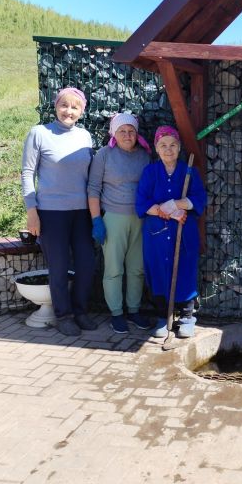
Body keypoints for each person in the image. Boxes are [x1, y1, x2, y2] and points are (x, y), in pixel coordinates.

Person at [21, 87, 96, 336]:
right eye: (64, 105)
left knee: (86, 263)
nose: (69, 111)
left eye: (75, 107)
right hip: (51, 212)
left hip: (81, 212)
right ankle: (63, 315)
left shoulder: (85, 137)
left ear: (82, 111)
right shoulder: (39, 134)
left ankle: (80, 311)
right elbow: (27, 173)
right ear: (56, 106)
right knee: (59, 266)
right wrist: (32, 210)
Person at [135, 126, 207, 339]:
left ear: (179, 147)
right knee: (157, 271)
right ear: (156, 148)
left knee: (185, 270)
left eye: (173, 145)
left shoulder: (188, 172)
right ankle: (162, 316)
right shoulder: (150, 173)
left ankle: (186, 317)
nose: (168, 149)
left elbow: (199, 199)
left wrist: (175, 204)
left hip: (183, 233)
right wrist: (166, 211)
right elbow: (141, 202)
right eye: (163, 145)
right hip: (156, 233)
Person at [87, 113, 151, 333]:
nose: (127, 135)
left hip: (141, 219)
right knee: (113, 269)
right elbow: (93, 189)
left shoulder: (144, 156)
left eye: (131, 131)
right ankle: (116, 313)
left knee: (137, 268)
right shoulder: (104, 155)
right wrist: (97, 220)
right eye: (122, 131)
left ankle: (133, 310)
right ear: (114, 133)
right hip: (113, 217)